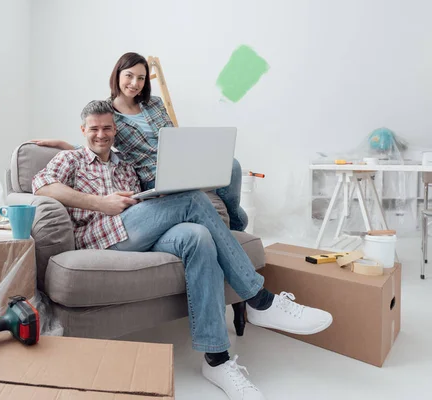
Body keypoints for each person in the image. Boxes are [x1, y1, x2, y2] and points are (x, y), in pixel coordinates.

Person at [32, 100, 333, 400]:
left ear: (115, 129)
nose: (101, 134)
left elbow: (146, 205)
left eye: (107, 127)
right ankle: (259, 299)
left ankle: (217, 359)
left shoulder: (126, 164)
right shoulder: (70, 159)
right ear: (83, 130)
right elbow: (42, 186)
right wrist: (101, 203)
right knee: (191, 200)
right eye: (94, 129)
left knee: (198, 236)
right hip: (102, 235)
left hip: (139, 231)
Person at [30, 52, 249, 231]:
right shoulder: (109, 112)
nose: (135, 83)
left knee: (233, 165)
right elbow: (100, 141)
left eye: (141, 78)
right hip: (152, 176)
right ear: (117, 75)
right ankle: (234, 227)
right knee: (202, 197)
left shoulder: (154, 103)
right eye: (129, 76)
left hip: (180, 163)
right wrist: (66, 145)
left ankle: (236, 220)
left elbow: (174, 136)